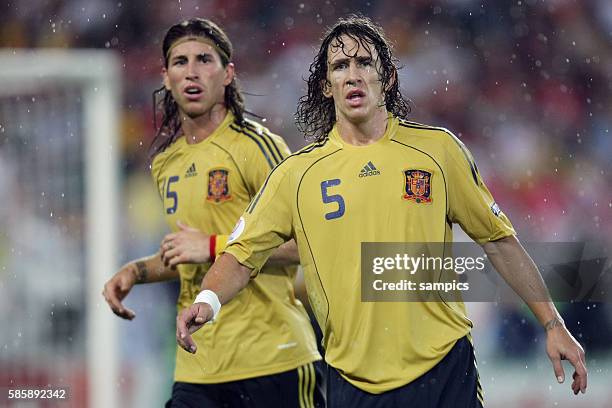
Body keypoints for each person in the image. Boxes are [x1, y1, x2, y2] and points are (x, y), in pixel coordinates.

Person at [176, 15, 587, 408]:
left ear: (386, 78)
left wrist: (553, 324)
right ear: (326, 85)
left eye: (364, 62)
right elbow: (242, 254)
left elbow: (499, 243)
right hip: (352, 380)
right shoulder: (296, 175)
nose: (352, 74)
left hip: (443, 368)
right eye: (339, 66)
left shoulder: (438, 152)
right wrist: (208, 299)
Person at [102, 18, 324, 408]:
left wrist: (211, 245)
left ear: (228, 75)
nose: (191, 71)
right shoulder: (165, 164)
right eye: (180, 61)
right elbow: (189, 257)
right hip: (198, 365)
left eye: (204, 59)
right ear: (166, 78)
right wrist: (136, 272)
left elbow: (308, 242)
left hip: (271, 358)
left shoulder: (257, 147)